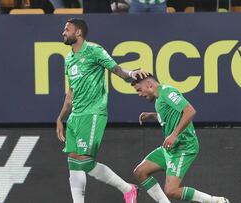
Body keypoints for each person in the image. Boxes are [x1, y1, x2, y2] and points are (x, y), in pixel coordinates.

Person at [56, 18, 148, 203]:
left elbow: (117, 70)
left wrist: (131, 74)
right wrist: (60, 118)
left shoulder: (94, 51)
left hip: (93, 113)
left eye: (67, 29)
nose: (63, 32)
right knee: (73, 161)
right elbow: (71, 92)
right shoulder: (68, 59)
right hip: (75, 116)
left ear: (78, 32)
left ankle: (127, 188)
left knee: (85, 161)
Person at [131, 74, 230, 203]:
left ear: (149, 84)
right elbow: (172, 115)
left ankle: (215, 201)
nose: (139, 94)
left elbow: (190, 111)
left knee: (171, 190)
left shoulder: (167, 92)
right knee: (140, 172)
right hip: (170, 148)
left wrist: (174, 135)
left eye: (139, 89)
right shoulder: (159, 99)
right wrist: (153, 115)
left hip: (184, 146)